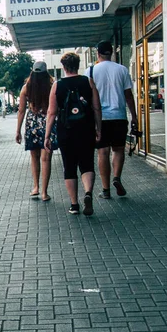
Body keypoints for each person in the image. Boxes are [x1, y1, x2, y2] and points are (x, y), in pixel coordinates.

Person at [45, 52, 102, 216]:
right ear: (78, 64)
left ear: (63, 67)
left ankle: (74, 204)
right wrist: (99, 128)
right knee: (87, 164)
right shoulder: (88, 82)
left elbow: (51, 112)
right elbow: (97, 107)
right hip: (86, 128)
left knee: (69, 167)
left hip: (66, 130)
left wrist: (47, 136)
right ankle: (88, 193)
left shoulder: (57, 85)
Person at [85, 41, 138, 199]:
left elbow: (88, 96)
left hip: (100, 118)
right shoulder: (122, 70)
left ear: (98, 53)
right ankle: (117, 177)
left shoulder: (91, 71)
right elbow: (128, 95)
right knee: (119, 149)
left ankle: (106, 189)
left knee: (103, 152)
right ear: (112, 52)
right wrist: (134, 116)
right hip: (119, 116)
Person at [16, 61, 57, 202]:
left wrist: (18, 130)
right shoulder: (52, 86)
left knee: (34, 157)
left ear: (32, 72)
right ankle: (45, 192)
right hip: (48, 122)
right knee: (46, 158)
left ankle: (36, 187)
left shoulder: (26, 88)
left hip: (32, 123)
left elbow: (21, 111)